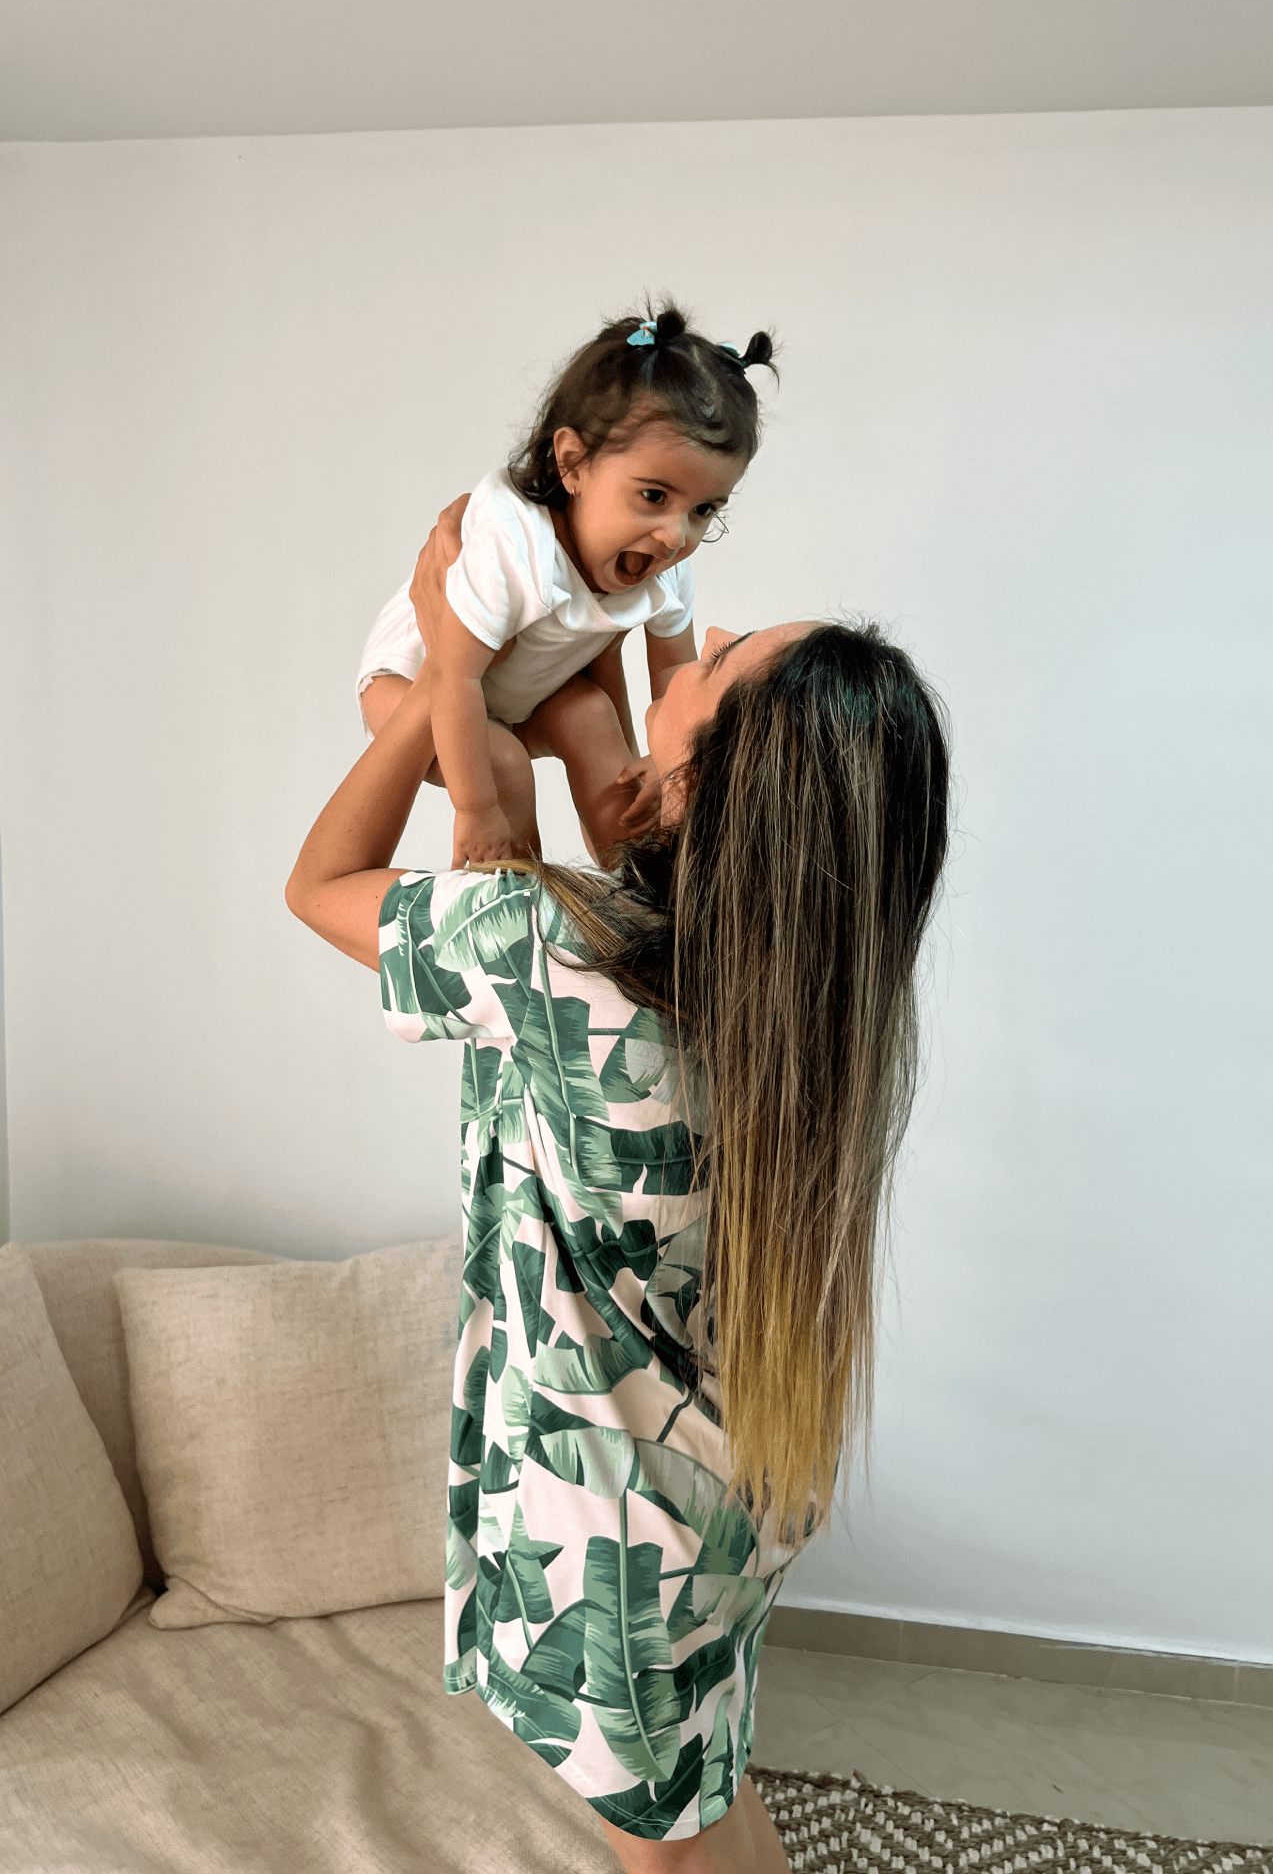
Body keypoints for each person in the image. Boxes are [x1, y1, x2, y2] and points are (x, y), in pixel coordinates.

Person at [287, 501, 951, 1872]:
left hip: (605, 1536)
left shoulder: (549, 953)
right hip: (735, 1490)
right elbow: (626, 772)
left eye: (715, 662)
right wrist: (588, 711)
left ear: (712, 779)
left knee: (653, 1847)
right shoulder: (815, 1023)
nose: (688, 644)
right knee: (698, 1787)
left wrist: (453, 663)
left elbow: (322, 881)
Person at [356, 300, 777, 869]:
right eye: (653, 496)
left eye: (703, 510)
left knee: (592, 720)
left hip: (521, 689)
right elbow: (454, 680)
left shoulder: (666, 569)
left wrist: (668, 761)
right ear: (573, 463)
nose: (676, 535)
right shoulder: (513, 550)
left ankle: (639, 877)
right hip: (414, 685)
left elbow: (674, 678)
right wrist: (474, 810)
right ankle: (517, 892)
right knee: (501, 762)